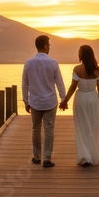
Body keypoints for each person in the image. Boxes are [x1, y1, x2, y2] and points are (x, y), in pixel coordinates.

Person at [22, 35, 66, 167]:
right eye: (49, 45)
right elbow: (59, 83)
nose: (49, 47)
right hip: (50, 101)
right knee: (49, 130)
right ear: (46, 46)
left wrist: (26, 101)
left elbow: (25, 84)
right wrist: (63, 98)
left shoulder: (29, 63)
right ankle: (47, 158)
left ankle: (36, 156)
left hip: (35, 101)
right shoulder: (53, 62)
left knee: (35, 129)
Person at [59, 45, 99, 166]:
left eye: (79, 52)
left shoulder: (77, 69)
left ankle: (85, 156)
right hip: (93, 99)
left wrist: (65, 101)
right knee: (93, 127)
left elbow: (73, 87)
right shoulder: (98, 70)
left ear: (82, 55)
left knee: (81, 127)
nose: (78, 54)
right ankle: (94, 155)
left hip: (80, 99)